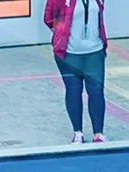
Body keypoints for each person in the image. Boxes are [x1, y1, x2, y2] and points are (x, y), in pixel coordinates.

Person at [44, 0, 110, 144]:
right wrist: (62, 33)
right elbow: (48, 19)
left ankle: (98, 133)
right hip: (69, 53)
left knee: (96, 91)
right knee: (74, 90)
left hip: (95, 52)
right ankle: (77, 132)